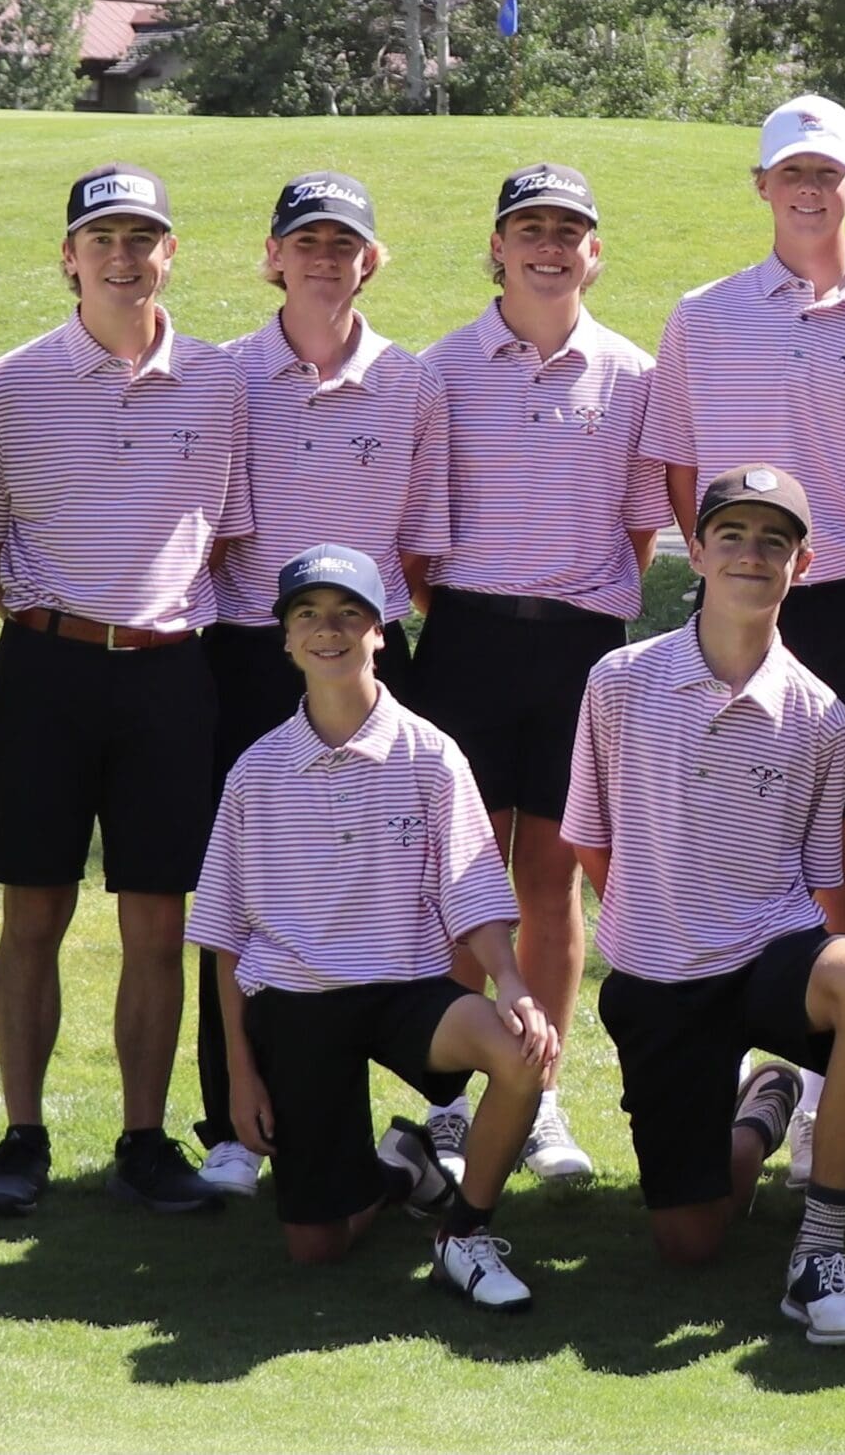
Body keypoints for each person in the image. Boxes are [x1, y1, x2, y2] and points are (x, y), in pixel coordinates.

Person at [638, 95, 845, 1179]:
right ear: (762, 186)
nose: (810, 189)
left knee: (839, 857)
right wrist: (734, 577)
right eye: (790, 173)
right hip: (735, 599)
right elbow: (679, 470)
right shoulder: (701, 315)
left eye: (830, 173)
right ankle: (732, 1063)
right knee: (718, 834)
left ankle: (818, 1093)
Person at [0, 163, 248, 1218]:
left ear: (171, 254)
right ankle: (22, 1135)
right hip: (46, 670)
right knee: (33, 909)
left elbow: (231, 532)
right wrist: (50, 622)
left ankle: (141, 1138)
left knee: (155, 922)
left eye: (143, 239)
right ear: (69, 258)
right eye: (103, 240)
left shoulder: (221, 383)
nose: (124, 259)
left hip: (171, 676)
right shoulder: (14, 385)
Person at [562, 466, 845, 1346]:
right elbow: (593, 839)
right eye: (734, 535)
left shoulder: (825, 715)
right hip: (658, 976)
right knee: (691, 1241)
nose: (753, 554)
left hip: (766, 954)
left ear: (803, 562)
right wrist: (659, 919)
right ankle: (762, 1109)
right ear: (698, 551)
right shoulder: (618, 681)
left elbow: (815, 869)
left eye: (775, 540)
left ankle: (821, 1247)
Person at [188, 544, 558, 1308]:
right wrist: (240, 1074)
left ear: (381, 630)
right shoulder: (254, 773)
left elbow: (474, 889)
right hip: (296, 1003)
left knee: (523, 1053)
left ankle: (464, 1230)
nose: (329, 631)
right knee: (314, 1248)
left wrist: (515, 985)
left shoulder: (431, 754)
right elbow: (226, 939)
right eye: (308, 616)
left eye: (349, 614)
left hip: (406, 989)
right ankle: (402, 1172)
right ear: (285, 637)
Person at [410, 163, 670, 1185]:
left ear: (593, 252)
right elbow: (421, 547)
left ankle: (542, 1094)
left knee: (553, 878)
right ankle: (444, 1101)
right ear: (498, 246)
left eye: (569, 231)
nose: (549, 247)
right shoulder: (441, 370)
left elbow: (639, 533)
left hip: (576, 650)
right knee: (460, 879)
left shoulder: (633, 376)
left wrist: (567, 602)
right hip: (466, 638)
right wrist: (487, 607)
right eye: (530, 229)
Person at [191, 171, 450, 1200]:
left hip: (372, 655)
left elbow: (421, 546)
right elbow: (202, 534)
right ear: (272, 257)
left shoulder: (414, 383)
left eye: (344, 245)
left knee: (397, 882)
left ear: (369, 262)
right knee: (246, 898)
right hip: (252, 653)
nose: (325, 260)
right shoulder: (221, 379)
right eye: (306, 243)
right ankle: (229, 1125)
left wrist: (367, 642)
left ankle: (431, 1104)